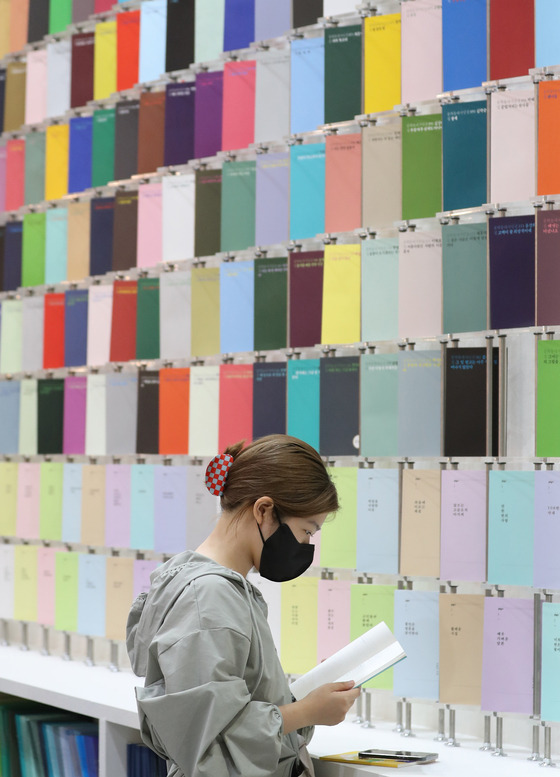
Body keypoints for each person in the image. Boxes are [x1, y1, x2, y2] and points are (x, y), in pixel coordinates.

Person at [126, 434, 360, 777]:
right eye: (307, 531)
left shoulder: (199, 582)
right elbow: (211, 736)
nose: (307, 545)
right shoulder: (209, 596)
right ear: (264, 511)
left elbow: (222, 704)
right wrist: (308, 712)